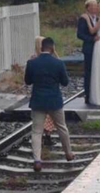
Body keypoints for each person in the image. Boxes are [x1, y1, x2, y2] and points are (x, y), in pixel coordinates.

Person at [25, 37, 74, 172]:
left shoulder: (32, 63)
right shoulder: (58, 63)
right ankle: (68, 153)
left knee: (36, 131)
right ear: (52, 48)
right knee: (61, 127)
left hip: (38, 101)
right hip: (54, 101)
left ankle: (37, 161)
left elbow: (28, 81)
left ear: (41, 48)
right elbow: (65, 82)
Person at [33, 36, 58, 146]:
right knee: (48, 116)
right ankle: (47, 135)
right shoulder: (49, 58)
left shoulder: (34, 59)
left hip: (39, 93)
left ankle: (46, 135)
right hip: (49, 92)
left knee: (44, 117)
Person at [77, 0, 100, 104]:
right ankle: (88, 94)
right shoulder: (83, 19)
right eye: (92, 6)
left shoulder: (99, 18)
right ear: (88, 8)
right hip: (89, 48)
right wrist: (91, 39)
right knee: (88, 71)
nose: (95, 8)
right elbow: (80, 34)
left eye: (96, 6)